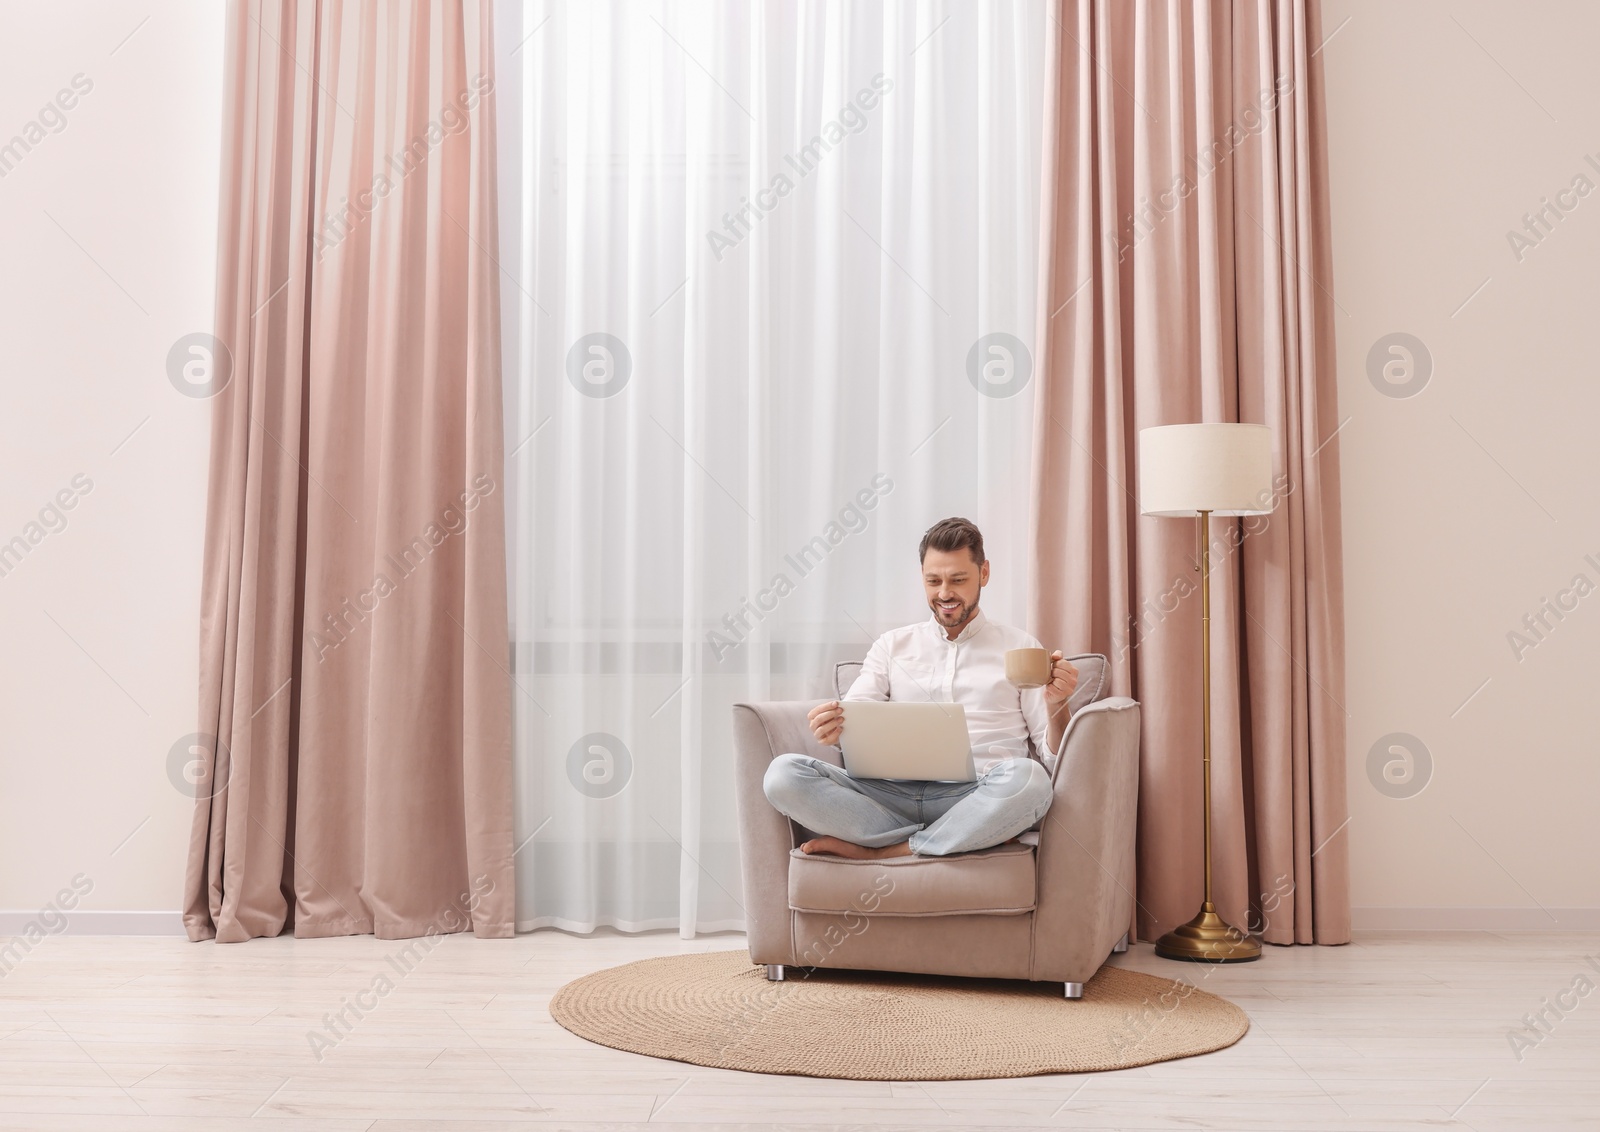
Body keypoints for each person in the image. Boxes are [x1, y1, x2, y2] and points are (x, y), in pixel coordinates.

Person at [762, 516, 1078, 859]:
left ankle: (887, 850)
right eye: (933, 581)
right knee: (783, 775)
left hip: (979, 794)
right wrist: (833, 729)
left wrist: (1058, 704)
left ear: (984, 573)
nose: (945, 594)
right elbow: (853, 721)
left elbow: (1052, 759)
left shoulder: (1020, 647)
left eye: (958, 579)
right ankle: (965, 837)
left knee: (1029, 780)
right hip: (890, 796)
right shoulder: (891, 646)